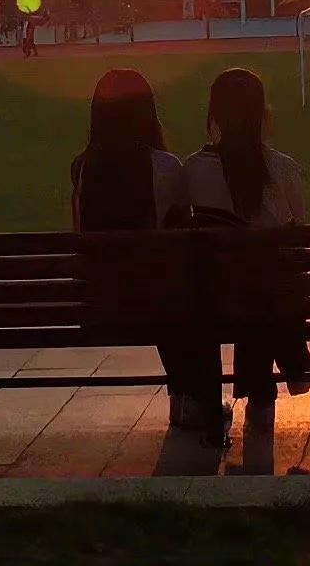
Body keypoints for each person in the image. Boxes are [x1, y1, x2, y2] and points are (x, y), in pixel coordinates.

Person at [183, 67, 310, 413]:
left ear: (214, 114)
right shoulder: (283, 169)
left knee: (245, 280)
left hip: (214, 302)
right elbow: (299, 235)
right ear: (262, 114)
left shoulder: (192, 171)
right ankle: (292, 358)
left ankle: (265, 380)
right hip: (269, 303)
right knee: (265, 279)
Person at [70, 70, 202, 425]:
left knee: (160, 283)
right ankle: (191, 400)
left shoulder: (82, 168)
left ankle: (186, 397)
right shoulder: (164, 167)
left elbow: (80, 234)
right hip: (155, 302)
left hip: (99, 301)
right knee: (186, 287)